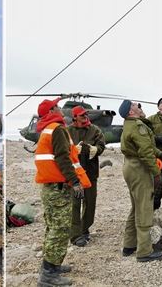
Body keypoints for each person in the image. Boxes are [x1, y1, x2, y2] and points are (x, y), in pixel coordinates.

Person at [35, 97, 90, 286]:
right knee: (59, 229)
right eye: (56, 106)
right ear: (51, 112)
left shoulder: (48, 129)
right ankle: (49, 275)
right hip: (58, 189)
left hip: (50, 188)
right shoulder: (57, 130)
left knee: (52, 228)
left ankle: (51, 266)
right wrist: (75, 181)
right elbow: (63, 159)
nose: (60, 109)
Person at [119, 99, 162, 263]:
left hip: (130, 166)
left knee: (135, 206)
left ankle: (129, 245)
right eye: (136, 106)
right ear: (131, 112)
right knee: (144, 207)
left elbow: (146, 146)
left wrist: (161, 154)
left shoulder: (130, 124)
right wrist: (156, 173)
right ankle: (144, 251)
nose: (139, 107)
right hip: (139, 168)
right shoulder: (138, 126)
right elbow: (146, 152)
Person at [67, 106, 105, 247]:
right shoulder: (68, 131)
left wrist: (96, 149)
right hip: (75, 175)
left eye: (86, 114)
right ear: (75, 117)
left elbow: (101, 145)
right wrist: (72, 150)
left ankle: (84, 229)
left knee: (90, 203)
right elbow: (62, 148)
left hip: (90, 173)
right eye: (82, 115)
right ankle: (76, 235)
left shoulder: (95, 130)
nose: (85, 117)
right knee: (75, 203)